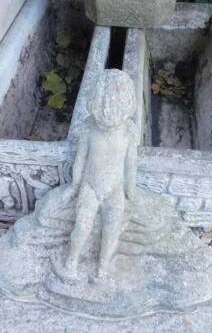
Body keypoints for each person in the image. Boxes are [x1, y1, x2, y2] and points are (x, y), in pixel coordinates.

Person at [63, 69, 138, 279]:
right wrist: (74, 186)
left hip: (115, 189)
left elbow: (131, 162)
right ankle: (73, 259)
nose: (108, 111)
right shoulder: (89, 127)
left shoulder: (129, 130)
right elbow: (80, 159)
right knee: (82, 225)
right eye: (104, 105)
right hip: (90, 186)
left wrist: (130, 190)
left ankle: (103, 266)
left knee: (112, 226)